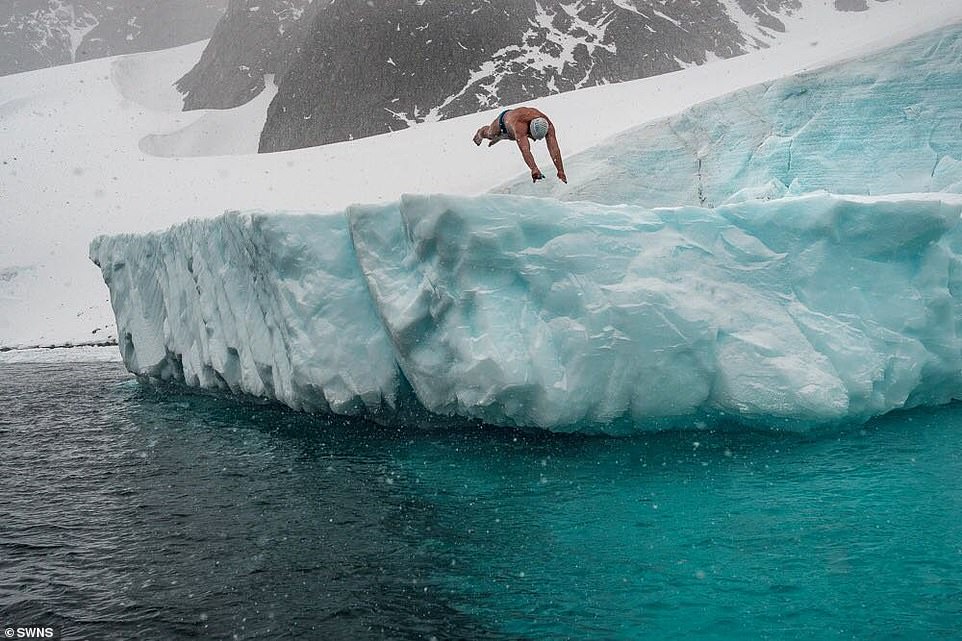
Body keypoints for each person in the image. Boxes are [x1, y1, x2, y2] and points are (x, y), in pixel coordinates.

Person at [473, 107, 567, 184]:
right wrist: (534, 169)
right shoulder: (520, 125)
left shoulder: (548, 125)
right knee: (490, 134)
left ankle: (499, 138)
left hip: (513, 127)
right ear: (529, 129)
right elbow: (525, 150)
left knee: (511, 136)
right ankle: (480, 133)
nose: (533, 140)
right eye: (531, 136)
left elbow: (554, 149)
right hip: (503, 123)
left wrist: (560, 170)